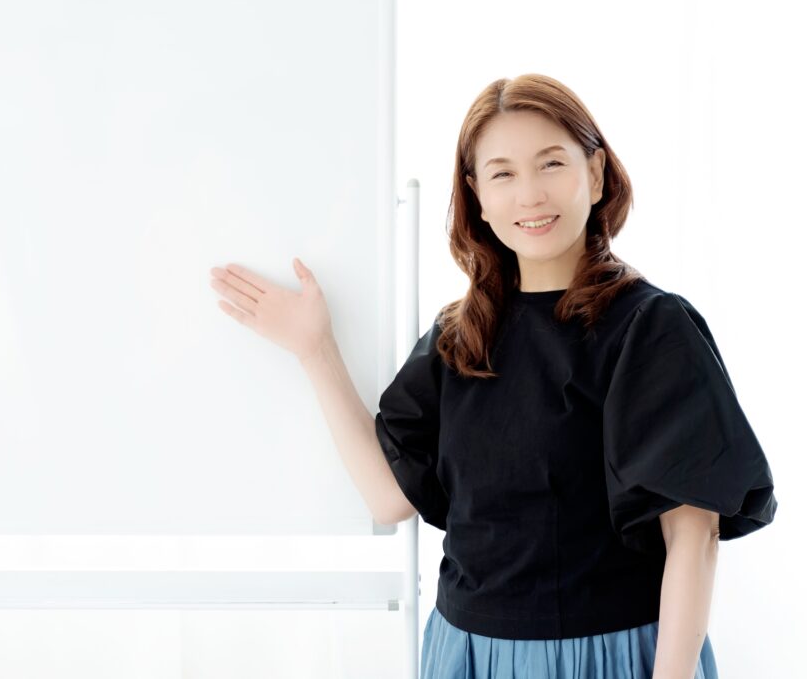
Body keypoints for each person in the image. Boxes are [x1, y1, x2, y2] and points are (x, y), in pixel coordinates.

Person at [207, 73, 777, 679]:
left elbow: (694, 535)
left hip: (605, 654)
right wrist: (315, 349)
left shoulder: (650, 327)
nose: (529, 194)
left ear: (597, 173)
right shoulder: (461, 336)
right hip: (465, 652)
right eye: (503, 173)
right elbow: (389, 497)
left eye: (551, 163)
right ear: (477, 195)